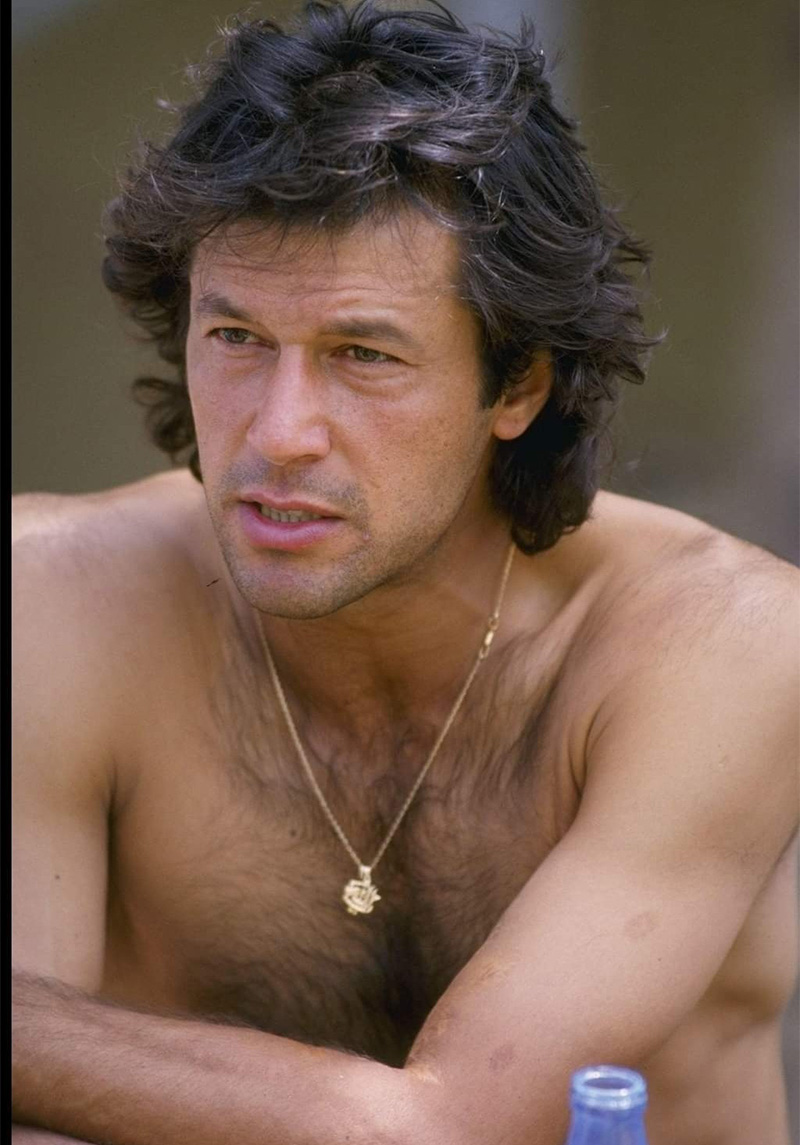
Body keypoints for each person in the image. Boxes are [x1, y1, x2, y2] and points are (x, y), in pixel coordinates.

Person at [11, 2, 798, 1143]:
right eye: (236, 338)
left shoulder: (714, 644)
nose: (279, 432)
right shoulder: (52, 603)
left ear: (517, 384)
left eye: (363, 354)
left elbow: (451, 1125)